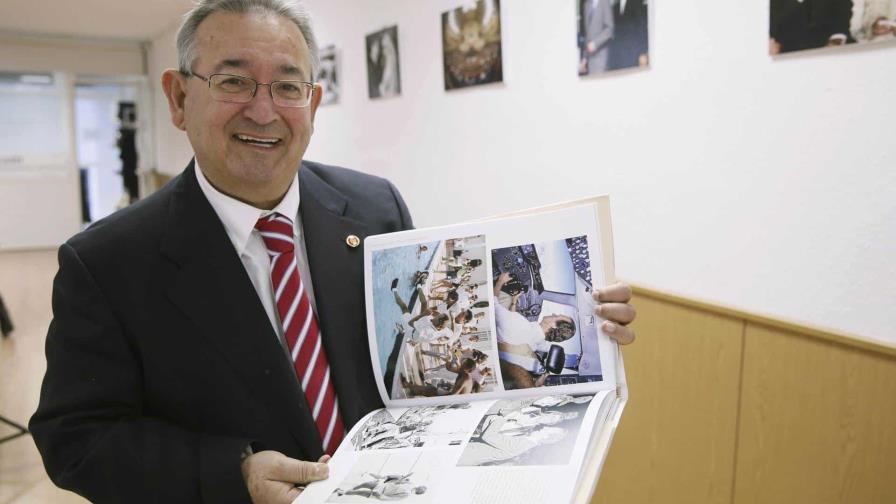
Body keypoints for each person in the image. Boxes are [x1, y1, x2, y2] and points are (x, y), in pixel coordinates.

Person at [30, 1, 638, 503]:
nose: (263, 110)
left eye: (287, 85)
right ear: (179, 98)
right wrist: (230, 474)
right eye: (234, 80)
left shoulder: (375, 209)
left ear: (313, 104)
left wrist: (588, 322)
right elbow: (75, 437)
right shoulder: (107, 262)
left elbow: (437, 362)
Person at [583, 0, 615, 74]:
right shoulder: (587, 5)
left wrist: (595, 43)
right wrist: (584, 58)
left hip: (601, 55)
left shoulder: (605, 2)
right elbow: (587, 34)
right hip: (590, 58)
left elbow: (609, 29)